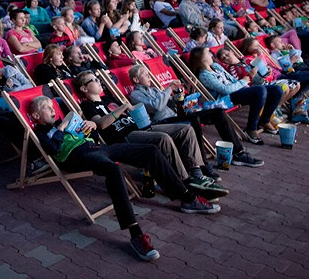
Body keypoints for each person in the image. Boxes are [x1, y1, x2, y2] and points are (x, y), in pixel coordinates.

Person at [30, 96, 218, 261]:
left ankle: (186, 198)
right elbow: (52, 149)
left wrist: (92, 126)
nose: (52, 109)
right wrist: (62, 128)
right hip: (79, 157)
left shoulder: (63, 125)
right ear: (36, 116)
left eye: (51, 106)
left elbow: (93, 135)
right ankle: (136, 235)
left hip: (98, 148)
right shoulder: (40, 133)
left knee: (151, 151)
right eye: (46, 107)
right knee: (113, 170)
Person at [72, 72, 227, 199]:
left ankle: (197, 175)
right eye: (94, 80)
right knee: (163, 139)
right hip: (126, 136)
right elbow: (101, 124)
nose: (99, 82)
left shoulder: (109, 99)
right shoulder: (87, 105)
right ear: (84, 89)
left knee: (185, 129)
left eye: (99, 79)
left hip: (143, 127)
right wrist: (122, 107)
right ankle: (185, 181)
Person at [127, 64, 263, 170]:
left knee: (218, 112)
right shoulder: (135, 95)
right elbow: (156, 107)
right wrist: (168, 88)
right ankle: (202, 163)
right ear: (136, 80)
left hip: (176, 116)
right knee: (193, 120)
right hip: (163, 122)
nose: (149, 75)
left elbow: (171, 103)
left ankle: (238, 153)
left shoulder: (154, 90)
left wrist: (181, 97)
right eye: (145, 74)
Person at [188, 46, 282, 144]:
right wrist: (244, 81)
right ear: (202, 59)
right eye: (208, 53)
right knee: (260, 91)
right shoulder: (204, 75)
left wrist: (247, 81)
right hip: (226, 99)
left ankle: (265, 120)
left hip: (237, 91)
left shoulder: (216, 67)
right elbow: (225, 90)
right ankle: (251, 129)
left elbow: (232, 80)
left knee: (276, 90)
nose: (211, 55)